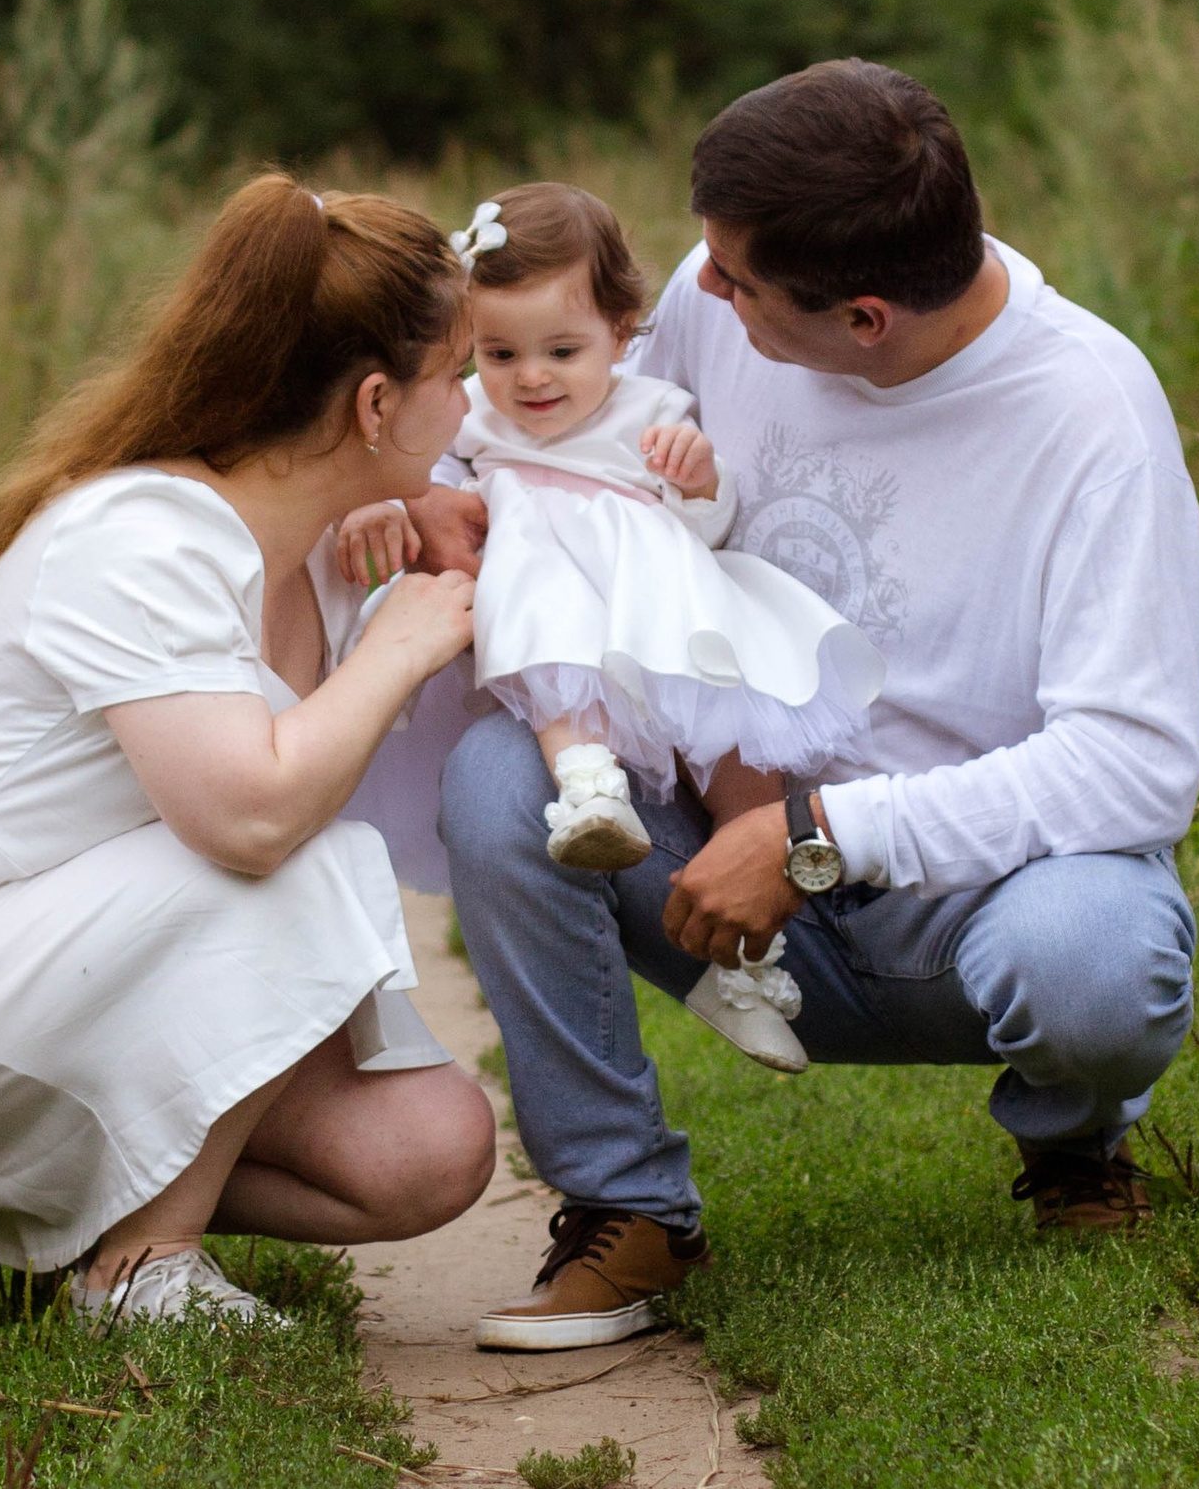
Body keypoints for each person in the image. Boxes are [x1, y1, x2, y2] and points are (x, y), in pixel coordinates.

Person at [423, 60, 1199, 1351]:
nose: (702, 288)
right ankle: (627, 1210)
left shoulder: (1092, 418)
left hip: (972, 910)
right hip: (708, 872)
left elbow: (1134, 769)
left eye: (735, 280)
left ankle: (1076, 1147)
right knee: (503, 781)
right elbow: (553, 422)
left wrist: (819, 834)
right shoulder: (708, 296)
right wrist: (444, 491)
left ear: (864, 318)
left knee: (1094, 962)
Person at [0, 176, 494, 1326]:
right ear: (376, 405)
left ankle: (75, 1227)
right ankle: (141, 1271)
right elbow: (247, 816)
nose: (473, 410)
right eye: (459, 377)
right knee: (290, 847)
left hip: (71, 980)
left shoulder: (320, 542)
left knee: (429, 1148)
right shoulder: (140, 537)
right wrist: (394, 650)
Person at [336, 181, 877, 1070]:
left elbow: (707, 524)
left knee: (742, 760)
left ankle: (753, 959)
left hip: (670, 622)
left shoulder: (652, 409)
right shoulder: (470, 414)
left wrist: (701, 479)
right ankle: (588, 788)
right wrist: (384, 505)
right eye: (501, 352)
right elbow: (416, 478)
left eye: (562, 349)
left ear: (623, 330)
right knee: (545, 635)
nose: (533, 376)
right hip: (555, 617)